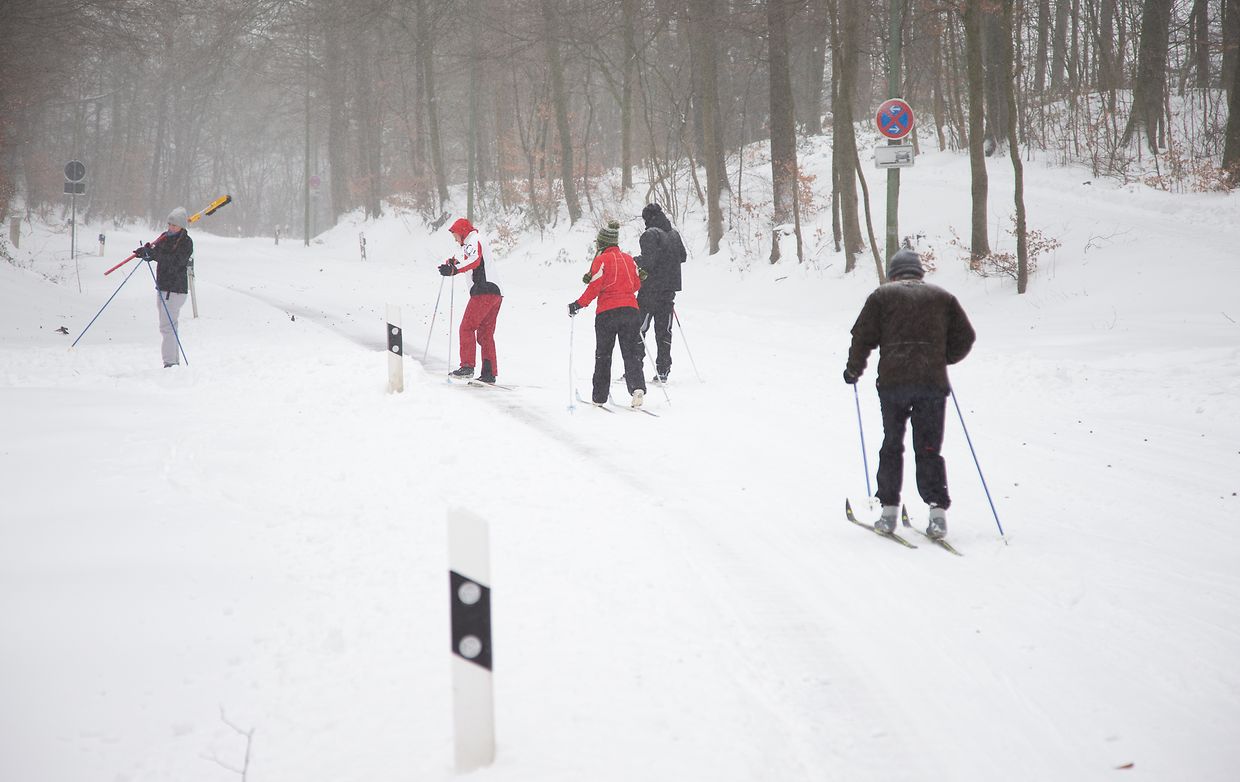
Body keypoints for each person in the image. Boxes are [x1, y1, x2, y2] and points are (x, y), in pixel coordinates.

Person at [843, 248, 976, 540]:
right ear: (919, 273)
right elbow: (966, 337)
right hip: (932, 384)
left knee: (892, 445)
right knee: (929, 448)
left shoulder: (882, 296)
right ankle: (937, 514)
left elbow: (861, 336)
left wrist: (854, 370)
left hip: (894, 384)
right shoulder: (942, 297)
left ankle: (888, 512)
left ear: (893, 274)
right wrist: (942, 358)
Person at [569, 220, 646, 408]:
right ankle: (637, 389)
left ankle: (599, 397)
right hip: (630, 311)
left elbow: (594, 287)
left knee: (604, 355)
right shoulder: (629, 259)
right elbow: (637, 284)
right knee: (631, 353)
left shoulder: (601, 260)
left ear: (602, 243)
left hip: (607, 314)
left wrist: (578, 304)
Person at [439, 217, 502, 384]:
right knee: (485, 334)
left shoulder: (473, 240)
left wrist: (454, 269)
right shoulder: (473, 242)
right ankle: (489, 373)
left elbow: (475, 261)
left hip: (484, 291)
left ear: (462, 232)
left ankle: (467, 367)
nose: (455, 239)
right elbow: (474, 265)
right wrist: (456, 264)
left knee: (466, 327)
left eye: (455, 235)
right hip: (495, 293)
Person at [633, 203, 687, 384]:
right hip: (669, 290)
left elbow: (648, 262)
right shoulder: (674, 234)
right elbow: (683, 256)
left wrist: (635, 260)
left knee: (639, 330)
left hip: (650, 290)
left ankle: (635, 369)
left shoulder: (649, 235)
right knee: (664, 331)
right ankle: (663, 370)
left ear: (648, 218)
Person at [134, 207, 193, 367]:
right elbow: (156, 252)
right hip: (162, 287)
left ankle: (170, 363)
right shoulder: (165, 238)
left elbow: (175, 261)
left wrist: (154, 255)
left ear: (181, 226)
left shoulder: (185, 242)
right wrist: (145, 252)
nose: (171, 228)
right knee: (168, 326)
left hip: (175, 290)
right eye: (169, 224)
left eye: (174, 225)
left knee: (167, 327)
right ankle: (173, 361)